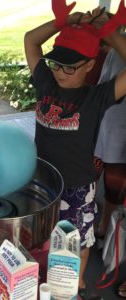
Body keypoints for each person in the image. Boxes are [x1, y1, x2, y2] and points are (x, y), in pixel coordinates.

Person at [24, 0, 126, 298]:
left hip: (77, 187)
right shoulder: (45, 82)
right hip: (42, 181)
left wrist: (107, 32)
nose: (60, 71)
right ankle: (47, 278)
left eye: (70, 65)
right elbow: (31, 40)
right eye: (57, 62)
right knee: (42, 235)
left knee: (77, 240)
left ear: (91, 65)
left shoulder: (97, 97)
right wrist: (66, 21)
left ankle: (76, 283)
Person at [93, 48, 126, 298]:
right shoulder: (116, 50)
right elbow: (104, 84)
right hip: (111, 123)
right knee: (107, 178)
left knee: (117, 181)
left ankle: (110, 232)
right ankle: (103, 228)